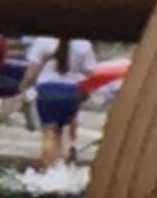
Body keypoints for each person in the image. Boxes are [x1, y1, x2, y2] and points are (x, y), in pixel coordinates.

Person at [19, 34, 98, 170]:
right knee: (63, 133)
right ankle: (64, 168)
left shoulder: (43, 41)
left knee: (49, 134)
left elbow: (32, 72)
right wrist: (84, 93)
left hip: (47, 92)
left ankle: (51, 172)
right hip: (71, 93)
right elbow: (91, 74)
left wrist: (23, 87)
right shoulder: (84, 44)